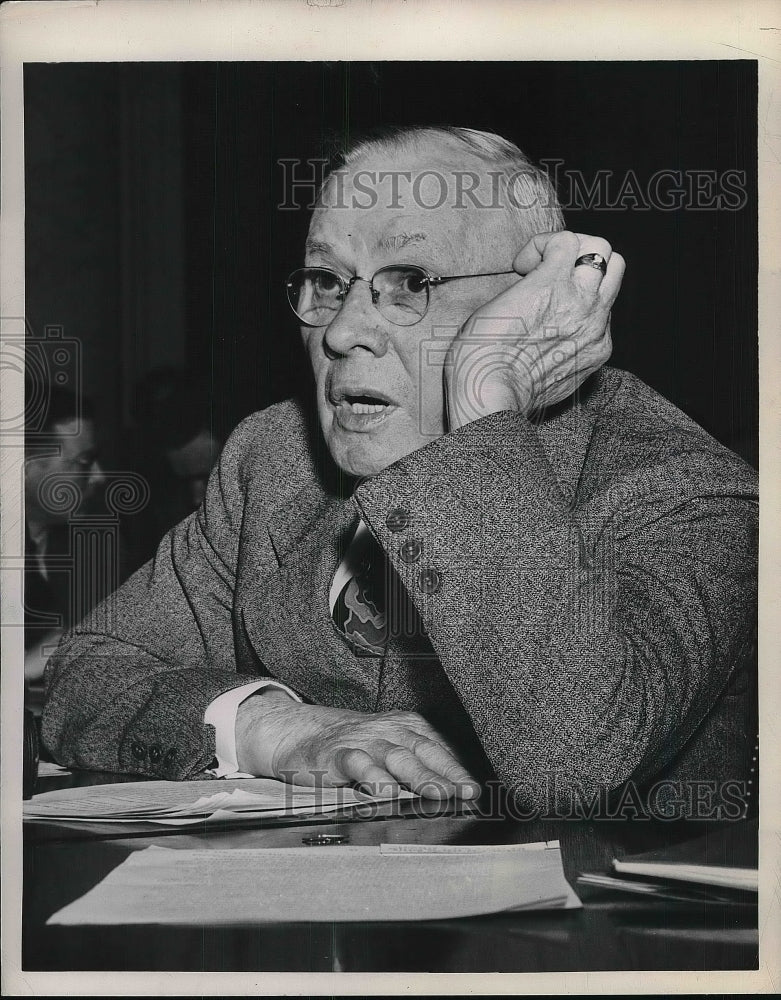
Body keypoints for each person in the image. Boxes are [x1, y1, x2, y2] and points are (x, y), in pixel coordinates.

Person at [41, 127, 757, 816]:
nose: (343, 330)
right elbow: (87, 671)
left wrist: (485, 395)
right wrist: (276, 729)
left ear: (532, 302)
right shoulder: (275, 459)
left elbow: (574, 763)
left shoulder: (683, 488)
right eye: (325, 279)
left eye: (409, 279)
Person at [24, 384, 106, 708]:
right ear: (27, 464)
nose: (98, 477)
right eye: (84, 462)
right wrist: (20, 667)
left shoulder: (82, 544)